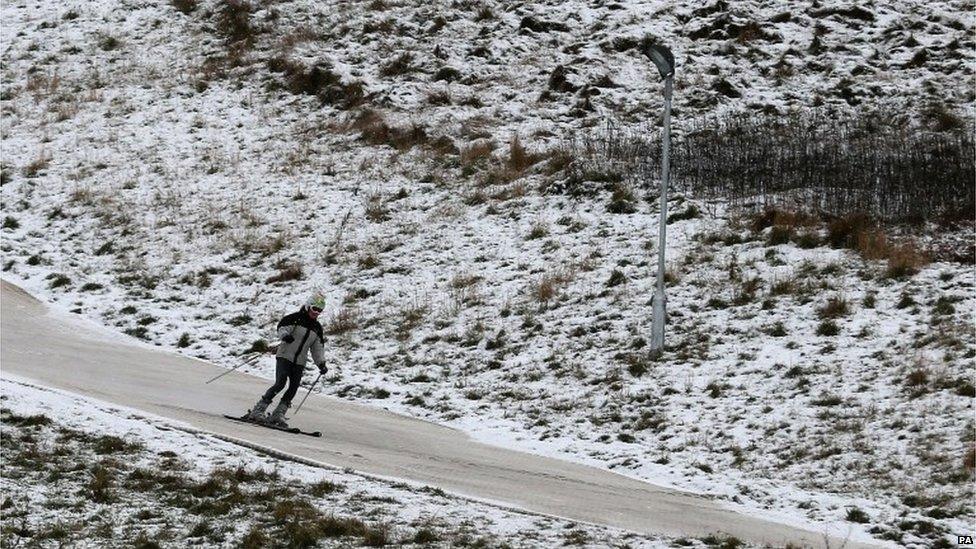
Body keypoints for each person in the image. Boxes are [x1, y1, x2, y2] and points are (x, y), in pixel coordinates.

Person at [246, 293, 329, 427]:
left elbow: (317, 348)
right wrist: (285, 336)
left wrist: (321, 363)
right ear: (308, 306)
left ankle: (278, 414)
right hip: (285, 356)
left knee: (293, 388)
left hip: (299, 362)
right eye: (315, 308)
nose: (316, 313)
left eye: (320, 310)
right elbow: (282, 328)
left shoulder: (317, 328)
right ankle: (258, 410)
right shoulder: (294, 319)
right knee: (280, 383)